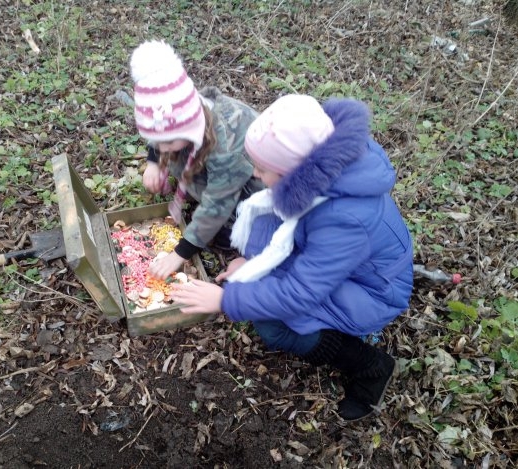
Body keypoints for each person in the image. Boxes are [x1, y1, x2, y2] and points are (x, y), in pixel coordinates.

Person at [171, 94, 414, 422]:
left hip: (374, 291)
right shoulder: (317, 177)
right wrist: (252, 261)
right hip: (344, 270)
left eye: (262, 168)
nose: (254, 173)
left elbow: (300, 293)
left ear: (294, 171)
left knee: (275, 326)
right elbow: (285, 226)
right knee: (263, 292)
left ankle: (370, 365)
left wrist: (226, 299)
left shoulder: (345, 218)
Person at [129, 40, 264, 280]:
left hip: (256, 185)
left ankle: (232, 225)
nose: (161, 148)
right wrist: (153, 161)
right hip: (205, 152)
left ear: (190, 129)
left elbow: (217, 204)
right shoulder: (179, 108)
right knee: (173, 152)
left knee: (224, 236)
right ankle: (193, 184)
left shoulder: (227, 148)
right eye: (156, 142)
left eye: (167, 143)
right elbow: (161, 131)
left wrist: (180, 252)